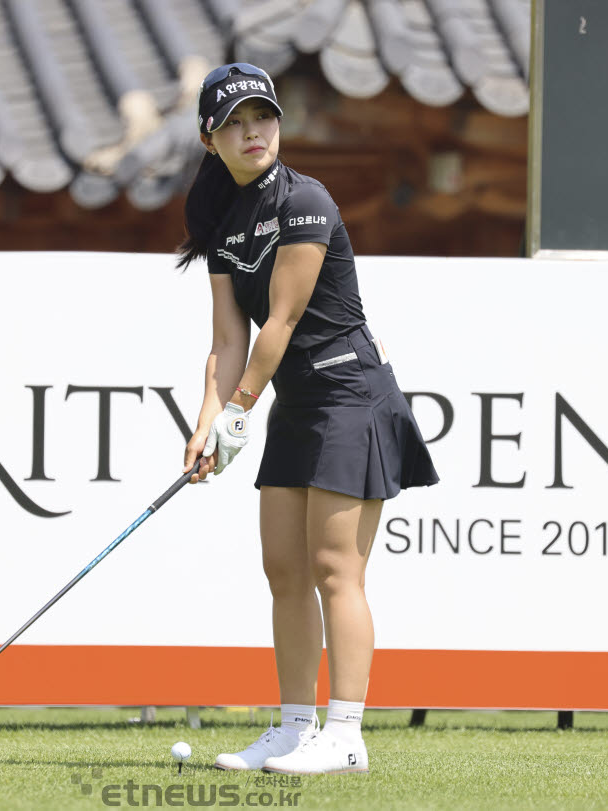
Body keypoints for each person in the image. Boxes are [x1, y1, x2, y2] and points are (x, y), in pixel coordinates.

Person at [178, 63, 439, 776]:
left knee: (335, 570)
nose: (251, 130)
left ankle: (345, 733)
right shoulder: (222, 224)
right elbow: (229, 339)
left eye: (261, 115)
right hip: (298, 403)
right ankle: (296, 727)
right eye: (233, 121)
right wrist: (206, 422)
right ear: (210, 139)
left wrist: (237, 414)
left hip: (351, 394)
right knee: (284, 569)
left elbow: (282, 321)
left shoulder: (306, 200)